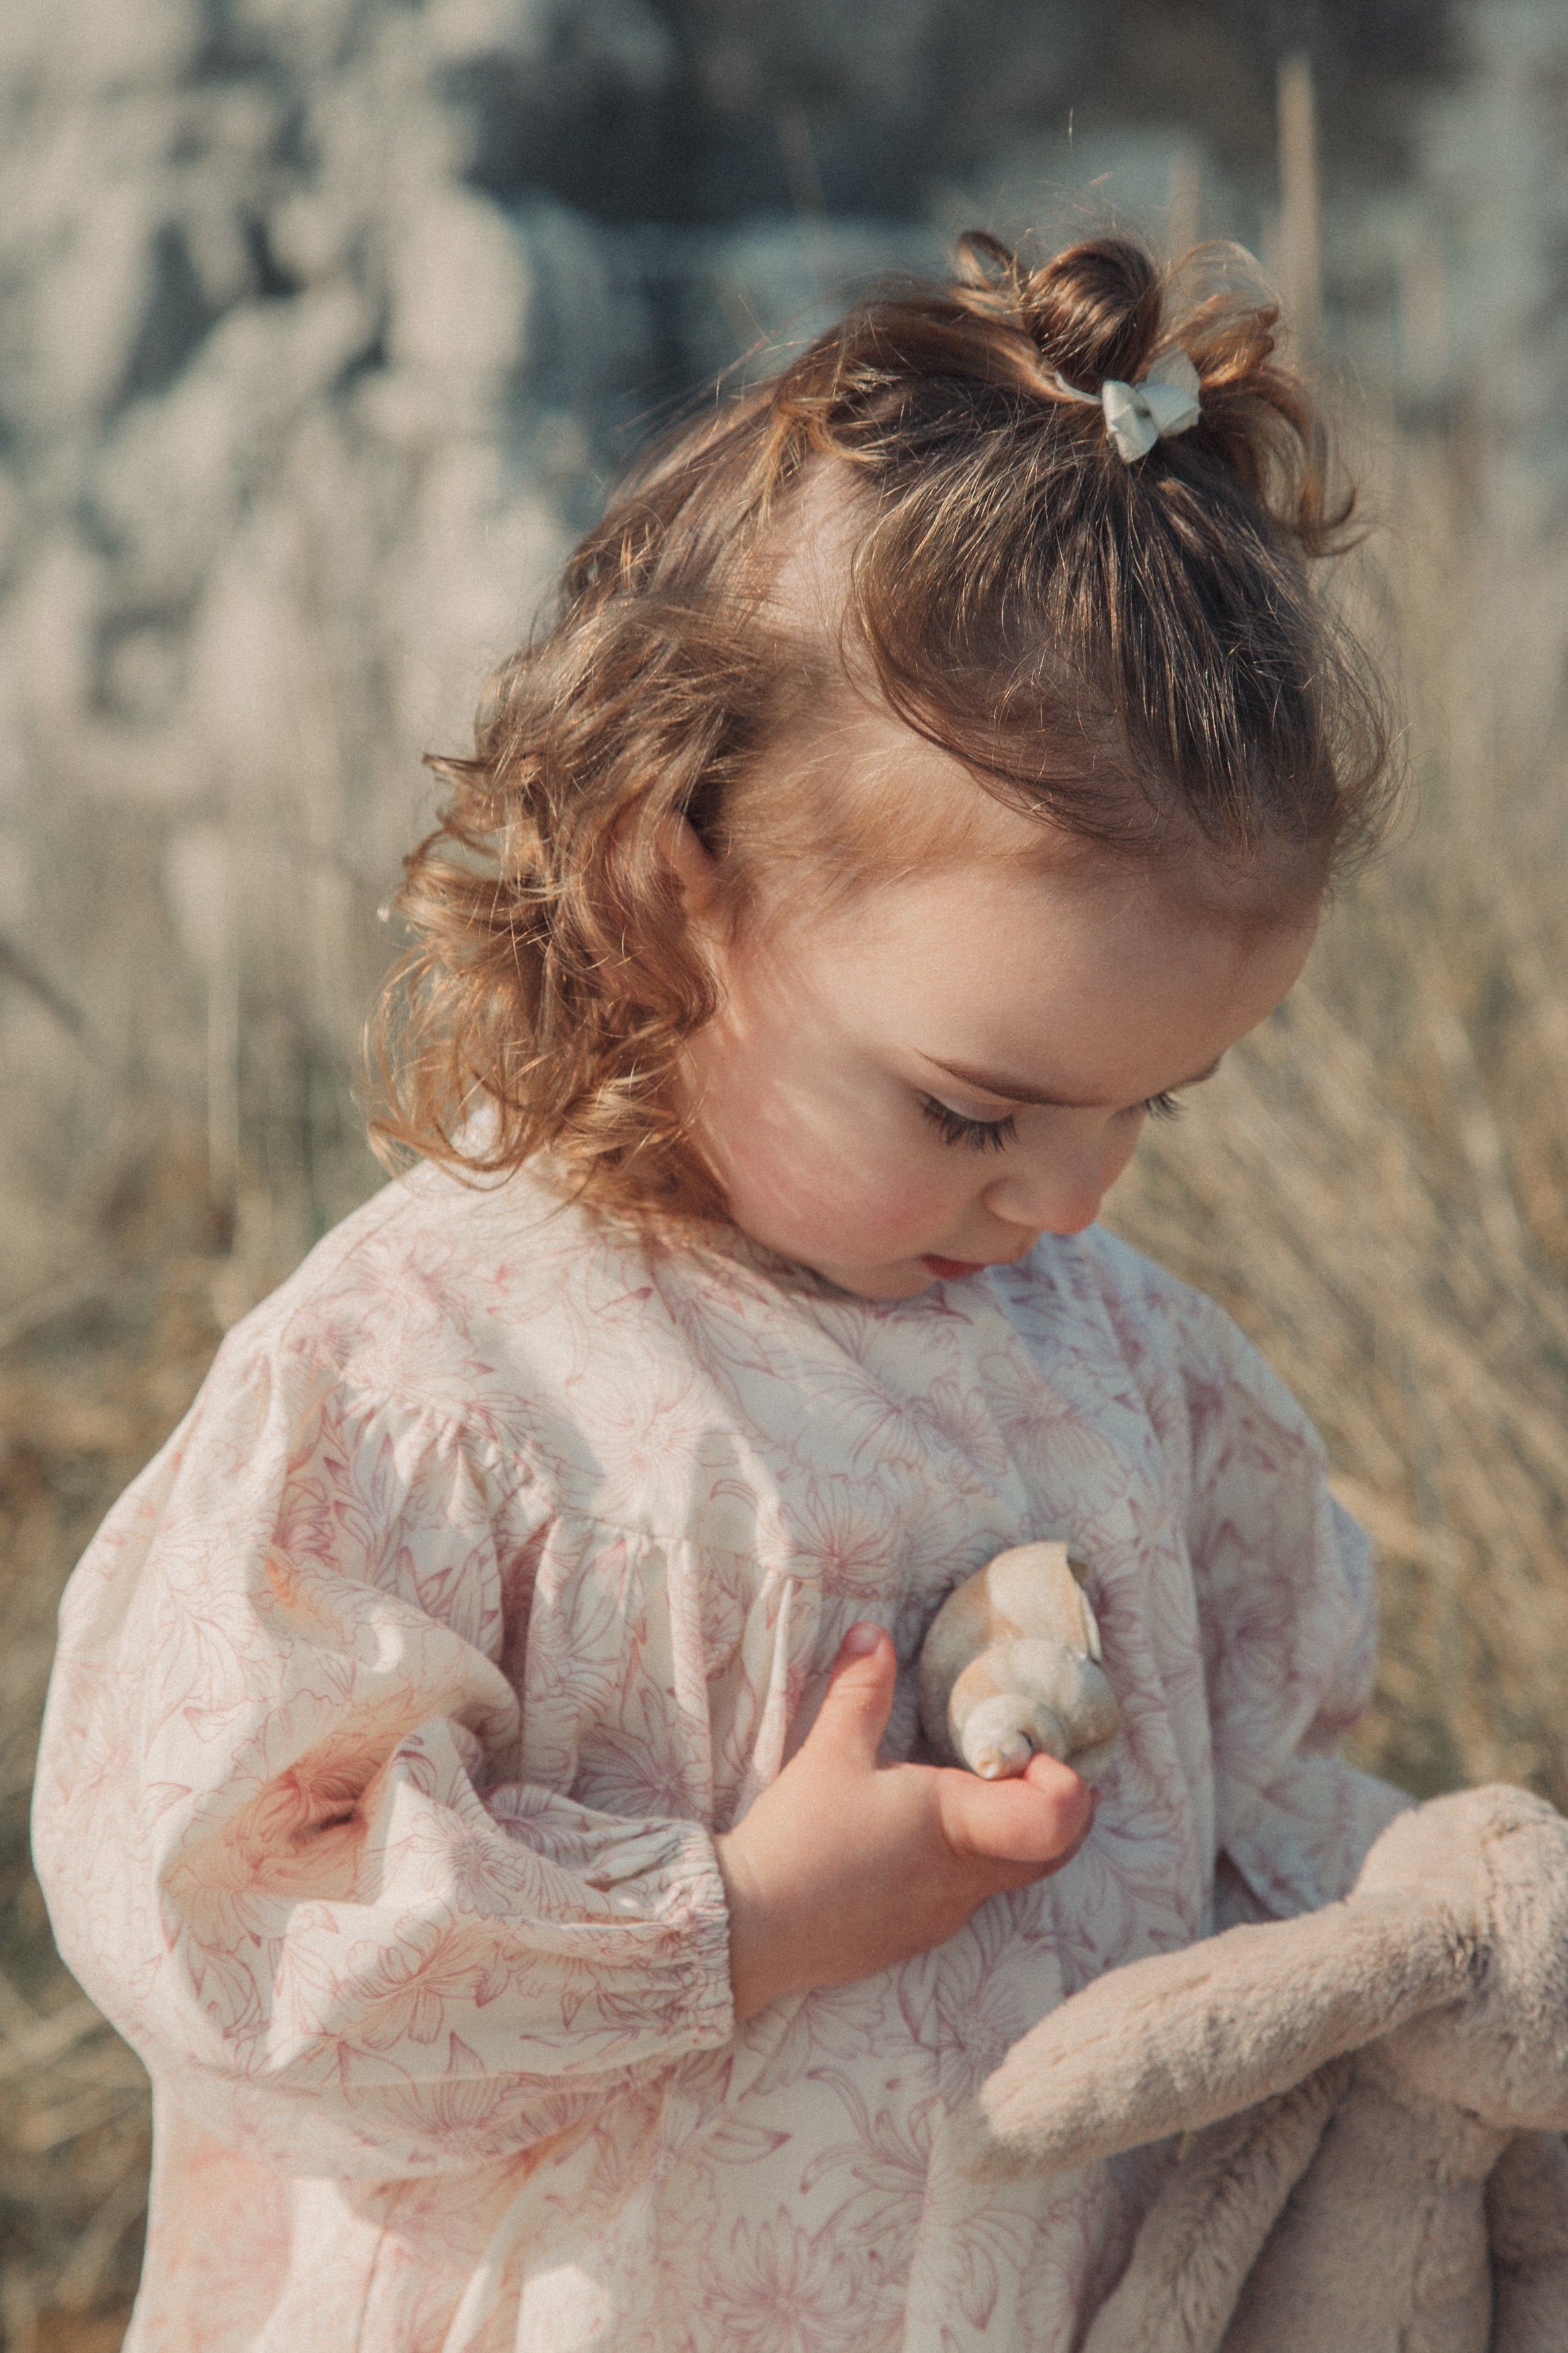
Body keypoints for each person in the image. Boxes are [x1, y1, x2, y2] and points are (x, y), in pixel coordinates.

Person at [34, 231, 1407, 2351]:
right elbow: (229, 1926)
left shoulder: (1131, 1363)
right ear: (677, 875)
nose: (1069, 1192)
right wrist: (736, 1920)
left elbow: (1278, 1794)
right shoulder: (443, 1383)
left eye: (1160, 1103)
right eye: (976, 1108)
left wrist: (1415, 1937)